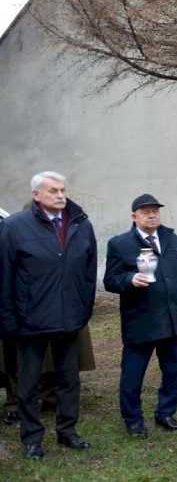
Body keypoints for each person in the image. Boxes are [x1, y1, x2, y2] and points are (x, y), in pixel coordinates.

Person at [0, 172, 97, 459]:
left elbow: (89, 273)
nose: (60, 195)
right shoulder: (15, 226)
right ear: (36, 195)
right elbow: (5, 275)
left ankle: (67, 431)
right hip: (30, 320)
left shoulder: (80, 224)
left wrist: (83, 309)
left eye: (63, 189)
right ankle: (32, 438)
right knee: (29, 384)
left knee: (69, 380)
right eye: (53, 190)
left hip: (69, 319)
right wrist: (8, 320)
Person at [104, 194, 177, 439]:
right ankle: (133, 420)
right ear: (134, 216)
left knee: (174, 370)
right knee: (133, 375)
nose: (152, 215)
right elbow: (110, 280)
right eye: (145, 211)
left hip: (172, 318)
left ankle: (165, 412)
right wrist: (129, 279)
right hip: (141, 320)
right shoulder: (120, 243)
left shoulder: (171, 238)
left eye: (155, 210)